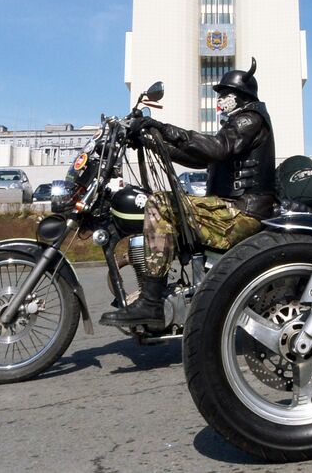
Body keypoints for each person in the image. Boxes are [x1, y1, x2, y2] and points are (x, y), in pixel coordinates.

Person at [101, 58, 277, 329]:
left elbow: (216, 148)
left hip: (241, 212)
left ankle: (151, 303)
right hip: (230, 208)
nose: (220, 99)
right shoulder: (239, 124)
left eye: (225, 94)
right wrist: (154, 142)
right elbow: (201, 158)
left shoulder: (249, 120)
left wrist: (161, 128)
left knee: (159, 203)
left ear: (241, 96)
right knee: (164, 202)